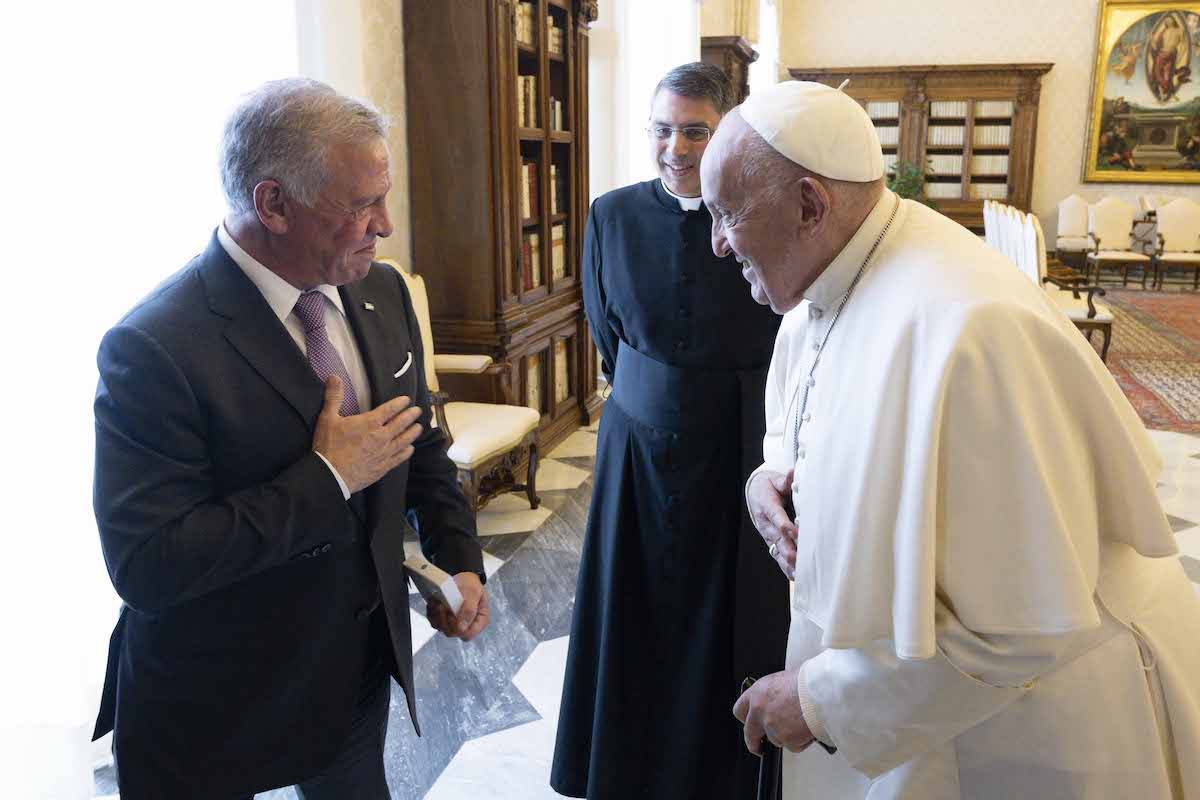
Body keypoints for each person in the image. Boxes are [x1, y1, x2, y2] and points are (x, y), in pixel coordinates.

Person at [704, 80, 1200, 799]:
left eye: (727, 213)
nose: (717, 243)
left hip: (1021, 731)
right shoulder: (821, 283)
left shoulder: (973, 328)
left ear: (811, 205)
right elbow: (795, 422)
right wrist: (767, 479)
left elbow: (1024, 627)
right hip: (910, 704)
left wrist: (820, 701)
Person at [91, 78, 489, 799]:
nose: (386, 224)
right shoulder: (153, 346)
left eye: (385, 195)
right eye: (362, 204)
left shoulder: (382, 289)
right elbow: (148, 563)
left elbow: (420, 443)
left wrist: (457, 560)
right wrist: (327, 477)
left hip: (354, 679)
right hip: (213, 705)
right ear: (273, 204)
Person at [550, 62, 789, 800]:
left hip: (736, 452)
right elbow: (606, 333)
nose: (675, 148)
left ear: (727, 136)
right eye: (662, 130)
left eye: (695, 131)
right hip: (636, 454)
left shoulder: (763, 217)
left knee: (725, 622)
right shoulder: (610, 216)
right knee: (635, 618)